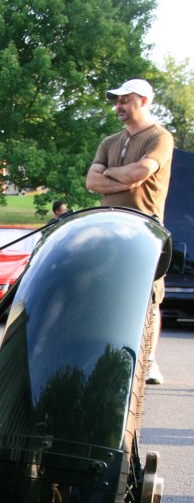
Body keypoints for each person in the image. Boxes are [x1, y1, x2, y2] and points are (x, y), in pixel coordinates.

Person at [86, 78, 174, 385]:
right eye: (117, 101)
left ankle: (148, 362)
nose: (118, 106)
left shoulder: (159, 137)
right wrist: (122, 179)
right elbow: (92, 182)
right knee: (107, 291)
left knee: (148, 296)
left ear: (144, 101)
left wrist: (111, 173)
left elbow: (142, 172)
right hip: (110, 224)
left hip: (146, 227)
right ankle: (108, 357)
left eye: (125, 100)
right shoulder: (110, 141)